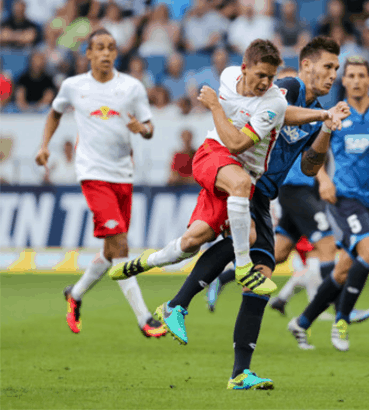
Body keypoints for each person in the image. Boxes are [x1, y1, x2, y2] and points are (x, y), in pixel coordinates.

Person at [150, 36, 350, 390]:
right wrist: (322, 115)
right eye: (328, 66)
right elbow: (279, 112)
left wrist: (325, 130)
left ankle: (239, 371)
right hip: (245, 180)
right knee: (237, 247)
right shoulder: (287, 87)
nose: (334, 74)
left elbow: (308, 166)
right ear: (306, 66)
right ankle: (177, 304)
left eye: (336, 68)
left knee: (260, 274)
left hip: (264, 194)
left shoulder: (320, 110)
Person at [109, 39, 293, 300]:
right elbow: (235, 144)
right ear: (243, 69)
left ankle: (141, 264)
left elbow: (259, 130)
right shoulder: (228, 76)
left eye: (271, 77)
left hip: (236, 171)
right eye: (260, 75)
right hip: (213, 154)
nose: (265, 82)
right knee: (240, 185)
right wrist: (217, 107)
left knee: (190, 243)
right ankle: (243, 267)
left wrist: (321, 116)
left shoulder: (273, 102)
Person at [34, 29, 166, 338]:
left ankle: (75, 294)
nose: (106, 53)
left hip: (123, 174)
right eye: (99, 48)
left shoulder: (131, 88)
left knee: (110, 249)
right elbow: (54, 113)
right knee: (121, 245)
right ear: (88, 53)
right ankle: (145, 318)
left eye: (111, 48)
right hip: (92, 174)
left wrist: (141, 129)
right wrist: (44, 146)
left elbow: (149, 128)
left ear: (116, 53)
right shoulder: (73, 86)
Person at [287, 55, 369, 352]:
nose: (355, 80)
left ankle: (302, 322)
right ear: (344, 81)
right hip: (342, 197)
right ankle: (341, 320)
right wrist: (323, 180)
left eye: (361, 75)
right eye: (350, 75)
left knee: (343, 269)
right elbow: (311, 153)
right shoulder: (333, 114)